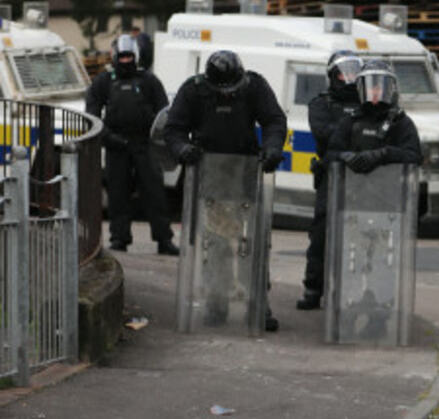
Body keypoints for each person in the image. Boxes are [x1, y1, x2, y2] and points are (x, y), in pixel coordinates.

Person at [163, 49, 287, 331]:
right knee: (216, 244)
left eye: (233, 90)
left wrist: (272, 148)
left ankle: (257, 301)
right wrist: (183, 148)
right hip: (210, 176)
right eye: (224, 91)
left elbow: (274, 120)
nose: (229, 95)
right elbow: (174, 129)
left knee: (253, 243)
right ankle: (216, 301)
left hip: (246, 175)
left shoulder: (254, 85)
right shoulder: (193, 91)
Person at [86, 34, 178, 255]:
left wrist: (158, 140)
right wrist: (109, 138)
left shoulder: (149, 81)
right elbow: (92, 116)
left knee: (155, 194)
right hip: (116, 146)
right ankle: (119, 238)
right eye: (122, 57)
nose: (126, 61)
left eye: (129, 57)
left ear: (135, 56)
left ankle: (164, 239)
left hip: (145, 145)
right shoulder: (103, 82)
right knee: (117, 194)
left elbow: (164, 112)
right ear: (115, 57)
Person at [296, 50, 364, 311]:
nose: (349, 78)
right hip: (332, 175)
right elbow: (324, 134)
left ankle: (361, 291)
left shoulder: (368, 102)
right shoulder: (321, 104)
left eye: (354, 72)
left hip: (364, 176)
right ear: (333, 76)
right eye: (344, 73)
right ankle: (313, 288)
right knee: (322, 233)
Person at [327, 59, 422, 173]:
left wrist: (385, 154)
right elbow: (329, 154)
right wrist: (344, 156)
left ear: (389, 89)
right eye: (371, 87)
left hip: (392, 187)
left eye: (379, 88)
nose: (375, 92)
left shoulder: (400, 122)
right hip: (354, 187)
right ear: (362, 88)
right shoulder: (351, 120)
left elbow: (415, 157)